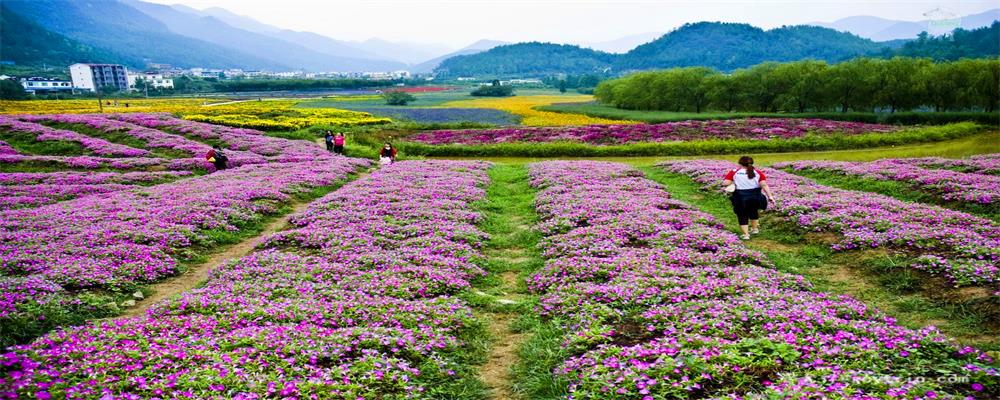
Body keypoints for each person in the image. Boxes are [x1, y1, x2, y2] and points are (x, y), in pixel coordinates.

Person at [722, 156, 775, 240]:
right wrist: (770, 196)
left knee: (742, 215)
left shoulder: (734, 172)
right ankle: (755, 229)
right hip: (756, 197)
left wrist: (733, 182)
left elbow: (725, 183)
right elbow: (764, 185)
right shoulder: (758, 172)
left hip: (741, 197)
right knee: (753, 211)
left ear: (739, 163)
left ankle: (746, 234)